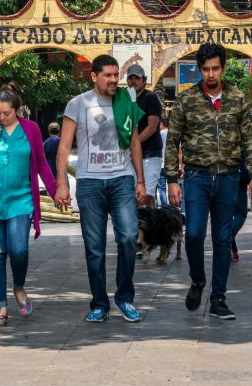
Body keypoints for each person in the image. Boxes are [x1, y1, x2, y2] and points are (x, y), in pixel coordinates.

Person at [165, 43, 252, 320]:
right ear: (199, 70)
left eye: (215, 68)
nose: (210, 74)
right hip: (196, 176)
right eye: (205, 69)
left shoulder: (238, 99)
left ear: (223, 67)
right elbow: (172, 142)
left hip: (230, 177)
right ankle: (198, 279)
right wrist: (172, 179)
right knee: (194, 233)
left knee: (222, 239)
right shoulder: (186, 101)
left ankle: (219, 298)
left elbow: (249, 141)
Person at [56, 56, 146, 323]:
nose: (113, 80)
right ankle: (99, 303)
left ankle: (125, 298)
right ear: (93, 76)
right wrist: (62, 183)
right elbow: (63, 147)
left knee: (129, 237)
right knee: (94, 247)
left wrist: (140, 180)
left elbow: (134, 143)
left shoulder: (126, 100)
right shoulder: (78, 104)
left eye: (116, 75)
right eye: (107, 75)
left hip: (121, 180)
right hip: (89, 183)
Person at [0, 83, 59, 326]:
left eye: (6, 113)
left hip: (22, 201)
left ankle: (18, 286)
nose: (2, 117)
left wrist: (55, 191)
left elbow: (40, 164)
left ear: (16, 110)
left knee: (18, 250)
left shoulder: (31, 129)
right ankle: (1, 307)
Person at [125, 64, 164, 211]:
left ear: (144, 80)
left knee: (146, 195)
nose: (133, 81)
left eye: (137, 78)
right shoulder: (125, 99)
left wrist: (133, 144)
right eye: (130, 77)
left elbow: (152, 127)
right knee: (133, 195)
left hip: (150, 154)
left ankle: (150, 227)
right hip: (130, 155)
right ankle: (136, 228)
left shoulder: (151, 97)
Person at [157, 117, 171, 208]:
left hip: (161, 164)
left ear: (162, 124)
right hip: (170, 164)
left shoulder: (160, 134)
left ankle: (165, 207)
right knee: (171, 186)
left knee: (162, 189)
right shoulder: (171, 133)